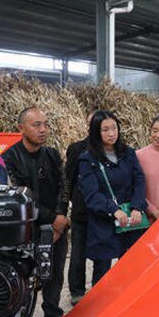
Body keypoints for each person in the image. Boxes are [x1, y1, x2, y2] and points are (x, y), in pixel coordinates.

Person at [3, 107, 69, 317]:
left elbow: (64, 187)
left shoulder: (52, 154)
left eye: (45, 124)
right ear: (21, 128)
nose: (43, 130)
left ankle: (52, 313)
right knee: (24, 278)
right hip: (26, 230)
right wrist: (51, 219)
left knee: (54, 274)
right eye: (36, 125)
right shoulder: (8, 158)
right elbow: (17, 198)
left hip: (56, 227)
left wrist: (59, 218)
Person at [78, 110, 147, 284]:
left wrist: (137, 207)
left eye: (114, 128)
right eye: (105, 129)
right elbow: (91, 193)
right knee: (102, 274)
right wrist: (113, 210)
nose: (111, 133)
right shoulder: (88, 159)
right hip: (104, 223)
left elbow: (139, 180)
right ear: (95, 132)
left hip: (131, 221)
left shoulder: (128, 153)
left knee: (131, 269)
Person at [65, 112, 94, 306]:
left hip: (105, 212)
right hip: (82, 211)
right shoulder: (77, 149)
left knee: (103, 254)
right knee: (78, 253)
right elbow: (69, 178)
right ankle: (77, 291)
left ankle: (101, 287)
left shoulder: (114, 149)